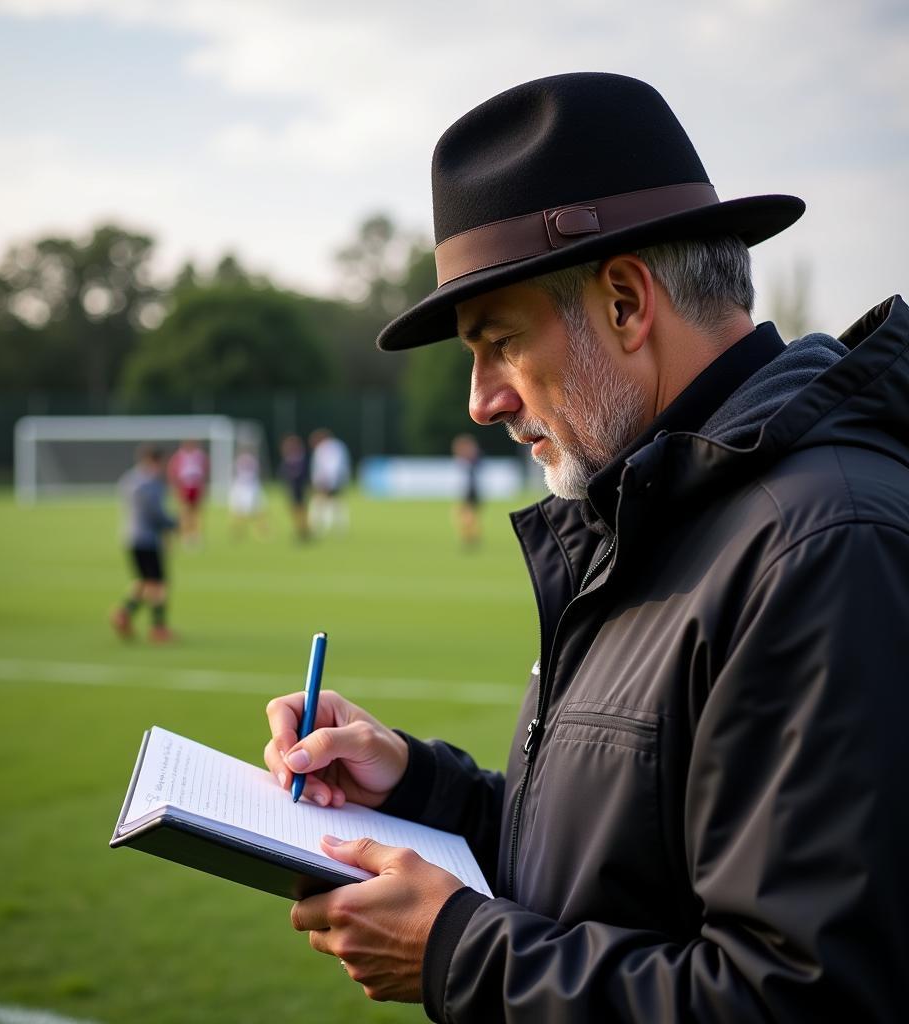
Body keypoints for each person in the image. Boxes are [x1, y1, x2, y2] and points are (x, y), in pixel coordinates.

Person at [262, 73, 909, 1020]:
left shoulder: (818, 546)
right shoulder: (659, 511)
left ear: (624, 302)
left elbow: (805, 997)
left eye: (499, 342)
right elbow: (611, 865)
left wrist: (458, 954)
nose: (482, 399)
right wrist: (419, 785)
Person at [110, 445, 177, 643]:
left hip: (130, 536)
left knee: (144, 580)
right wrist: (174, 524)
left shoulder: (129, 479)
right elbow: (155, 514)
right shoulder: (151, 483)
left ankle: (124, 613)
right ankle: (158, 629)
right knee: (158, 584)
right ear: (156, 460)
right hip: (148, 539)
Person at [308, 428, 351, 535]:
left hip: (328, 481)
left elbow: (330, 466)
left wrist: (325, 482)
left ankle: (322, 527)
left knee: (322, 503)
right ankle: (339, 527)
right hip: (337, 479)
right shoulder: (338, 445)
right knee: (336, 503)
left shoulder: (325, 448)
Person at [167, 439, 209, 546]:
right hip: (184, 485)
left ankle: (195, 536)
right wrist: (175, 487)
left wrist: (203, 485)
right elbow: (173, 470)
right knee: (185, 512)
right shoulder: (179, 456)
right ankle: (186, 535)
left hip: (196, 485)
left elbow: (204, 470)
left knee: (196, 512)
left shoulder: (199, 456)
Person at [228, 445, 268, 539]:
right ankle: (239, 532)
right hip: (244, 488)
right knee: (242, 512)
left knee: (255, 511)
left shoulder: (247, 461)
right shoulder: (244, 461)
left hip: (249, 488)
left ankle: (259, 530)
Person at [278, 433, 311, 542]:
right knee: (294, 509)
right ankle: (300, 528)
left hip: (299, 487)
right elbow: (284, 472)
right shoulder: (288, 458)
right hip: (291, 487)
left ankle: (303, 529)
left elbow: (302, 473)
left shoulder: (300, 458)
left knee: (300, 508)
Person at [451, 433, 482, 548]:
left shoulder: (470, 459)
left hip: (470, 490)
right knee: (467, 514)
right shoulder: (472, 459)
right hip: (471, 489)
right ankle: (471, 536)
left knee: (465, 514)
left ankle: (470, 537)